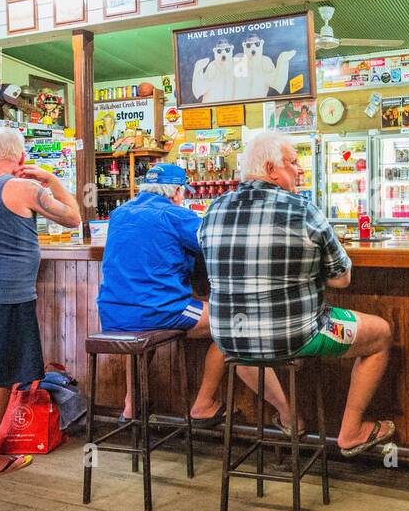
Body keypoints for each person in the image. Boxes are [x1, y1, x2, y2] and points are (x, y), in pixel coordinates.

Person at [198, 131, 394, 455]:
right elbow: (342, 279)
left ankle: (291, 417)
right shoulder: (303, 210)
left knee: (247, 345)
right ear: (272, 169)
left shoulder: (214, 210)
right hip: (297, 335)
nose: (300, 170)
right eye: (293, 163)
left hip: (230, 336)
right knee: (381, 335)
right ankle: (351, 431)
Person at [97, 161, 286, 425]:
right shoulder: (176, 216)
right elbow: (216, 243)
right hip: (159, 310)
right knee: (234, 321)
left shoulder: (119, 214)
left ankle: (132, 405)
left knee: (139, 330)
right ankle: (204, 404)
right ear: (176, 192)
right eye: (183, 192)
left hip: (113, 312)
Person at [0, 127, 80, 482]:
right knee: (0, 378)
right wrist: (51, 179)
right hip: (6, 295)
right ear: (20, 158)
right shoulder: (24, 188)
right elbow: (73, 217)